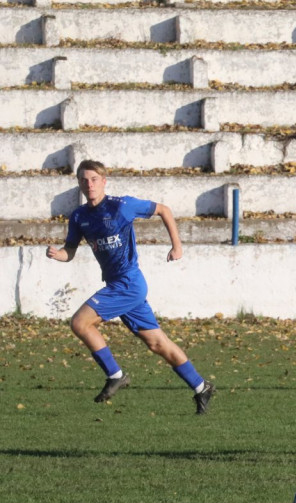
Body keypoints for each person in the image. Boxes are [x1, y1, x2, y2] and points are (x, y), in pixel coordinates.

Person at [45, 160, 215, 414]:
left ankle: (116, 375)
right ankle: (202, 387)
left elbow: (164, 210)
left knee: (80, 323)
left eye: (94, 179)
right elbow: (70, 250)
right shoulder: (79, 216)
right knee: (157, 343)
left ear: (104, 181)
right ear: (78, 183)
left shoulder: (121, 206)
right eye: (83, 180)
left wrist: (177, 246)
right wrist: (60, 254)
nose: (89, 184)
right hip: (118, 284)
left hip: (129, 283)